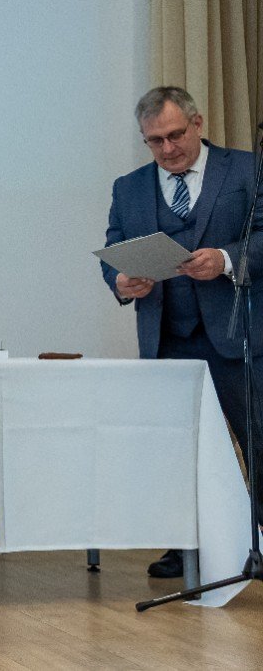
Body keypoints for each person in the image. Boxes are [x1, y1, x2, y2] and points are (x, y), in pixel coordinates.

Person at [102, 86, 263, 579]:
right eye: (155, 141)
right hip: (166, 338)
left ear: (197, 123)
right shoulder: (128, 188)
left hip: (237, 335)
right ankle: (183, 548)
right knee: (173, 449)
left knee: (258, 440)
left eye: (175, 135)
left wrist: (227, 259)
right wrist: (121, 281)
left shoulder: (247, 170)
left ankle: (261, 541)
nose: (168, 148)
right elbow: (114, 248)